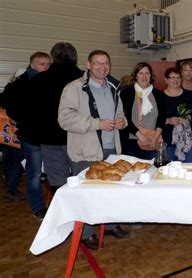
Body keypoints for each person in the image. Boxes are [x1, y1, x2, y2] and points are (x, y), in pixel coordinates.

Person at [58, 50, 130, 250]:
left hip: (111, 150)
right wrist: (97, 123)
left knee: (111, 193)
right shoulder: (74, 88)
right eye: (97, 63)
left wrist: (122, 121)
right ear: (88, 65)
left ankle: (111, 225)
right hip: (86, 151)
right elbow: (65, 119)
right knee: (86, 195)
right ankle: (86, 232)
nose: (102, 67)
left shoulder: (114, 87)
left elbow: (120, 112)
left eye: (106, 63)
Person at [32, 42, 84, 197]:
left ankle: (61, 215)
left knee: (57, 181)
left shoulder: (39, 79)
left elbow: (31, 109)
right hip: (79, 137)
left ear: (53, 58)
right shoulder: (84, 79)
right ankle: (82, 216)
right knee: (82, 178)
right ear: (75, 58)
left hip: (50, 139)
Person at [6, 51, 51, 219]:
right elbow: (11, 108)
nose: (45, 67)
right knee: (34, 173)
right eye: (42, 64)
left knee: (48, 171)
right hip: (31, 136)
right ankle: (38, 207)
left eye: (48, 64)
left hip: (48, 136)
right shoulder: (21, 83)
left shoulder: (49, 82)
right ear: (32, 65)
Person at [120, 62, 166, 160]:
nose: (144, 76)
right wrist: (140, 136)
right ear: (135, 76)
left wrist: (155, 137)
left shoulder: (159, 94)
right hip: (132, 140)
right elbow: (125, 118)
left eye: (147, 73)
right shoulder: (126, 93)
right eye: (141, 73)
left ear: (151, 76)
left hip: (153, 141)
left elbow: (162, 117)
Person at [1, 70, 26, 202]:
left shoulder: (9, 88)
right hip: (17, 132)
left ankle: (9, 186)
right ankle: (11, 190)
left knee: (9, 159)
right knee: (17, 161)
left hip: (5, 133)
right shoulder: (22, 90)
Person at [160, 67, 192, 162]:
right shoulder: (159, 96)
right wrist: (168, 120)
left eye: (178, 77)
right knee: (169, 171)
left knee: (189, 169)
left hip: (187, 141)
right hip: (167, 141)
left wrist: (188, 117)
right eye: (172, 77)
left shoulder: (188, 96)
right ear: (166, 80)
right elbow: (155, 119)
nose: (176, 80)